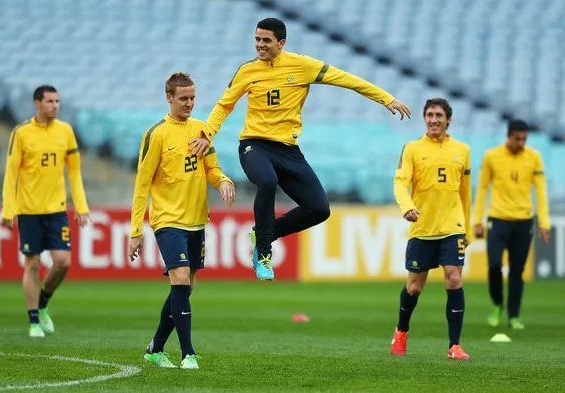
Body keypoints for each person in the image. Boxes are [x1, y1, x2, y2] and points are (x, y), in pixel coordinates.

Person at [189, 17, 411, 281]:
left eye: (266, 41)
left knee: (319, 209)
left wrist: (386, 99)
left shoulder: (303, 66)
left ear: (281, 43)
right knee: (267, 181)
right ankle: (263, 253)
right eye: (257, 39)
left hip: (288, 150)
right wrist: (207, 134)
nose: (260, 45)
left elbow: (347, 80)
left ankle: (264, 232)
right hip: (254, 145)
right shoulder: (247, 71)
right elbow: (224, 106)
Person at [129, 72, 235, 369]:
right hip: (167, 219)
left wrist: (223, 180)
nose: (189, 103)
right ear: (169, 98)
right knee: (180, 277)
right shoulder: (157, 134)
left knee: (185, 288)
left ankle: (155, 348)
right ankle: (188, 353)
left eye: (192, 98)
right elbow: (141, 184)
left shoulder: (202, 130)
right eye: (183, 98)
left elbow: (211, 169)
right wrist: (135, 230)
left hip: (196, 220)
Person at [1, 85, 90, 338]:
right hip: (29, 210)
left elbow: (74, 171)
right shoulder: (21, 133)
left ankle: (43, 303)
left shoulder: (65, 131)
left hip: (57, 210)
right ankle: (33, 321)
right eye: (50, 101)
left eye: (57, 101)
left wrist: (81, 206)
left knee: (63, 262)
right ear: (36, 103)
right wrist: (9, 209)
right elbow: (11, 173)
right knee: (32, 263)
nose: (55, 105)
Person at [391, 98, 472, 360]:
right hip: (422, 225)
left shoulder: (463, 150)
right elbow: (400, 182)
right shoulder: (412, 148)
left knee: (454, 277)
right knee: (414, 287)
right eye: (429, 115)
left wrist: (467, 229)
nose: (433, 120)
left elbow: (465, 193)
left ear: (449, 119)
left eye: (439, 115)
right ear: (424, 118)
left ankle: (454, 345)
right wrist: (406, 206)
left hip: (452, 225)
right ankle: (401, 331)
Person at [473, 119, 550, 330]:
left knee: (517, 271)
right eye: (517, 139)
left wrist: (544, 222)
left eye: (524, 139)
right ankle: (498, 305)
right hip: (497, 220)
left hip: (524, 221)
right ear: (508, 136)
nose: (521, 143)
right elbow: (481, 189)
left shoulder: (534, 157)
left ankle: (514, 315)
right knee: (494, 265)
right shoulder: (492, 156)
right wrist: (477, 220)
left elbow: (541, 191)